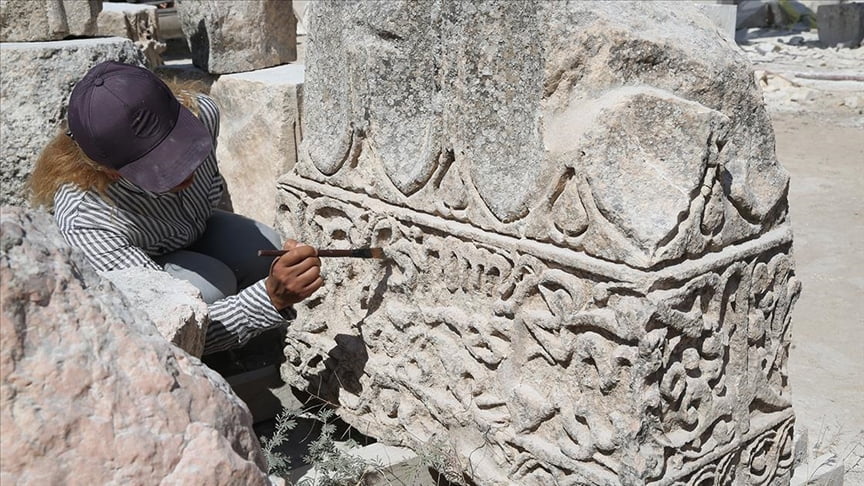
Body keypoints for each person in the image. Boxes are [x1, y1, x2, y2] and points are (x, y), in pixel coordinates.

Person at [29, 61, 323, 356]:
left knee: (269, 251)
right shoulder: (85, 217)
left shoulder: (202, 113)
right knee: (208, 291)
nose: (185, 168)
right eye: (159, 167)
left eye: (183, 145)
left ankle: (249, 345)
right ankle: (208, 366)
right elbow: (156, 326)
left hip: (194, 230)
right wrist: (270, 298)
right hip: (144, 268)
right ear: (108, 171)